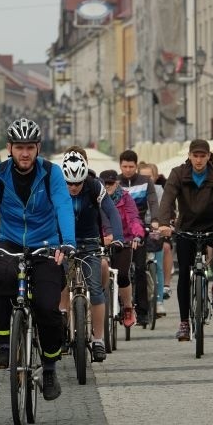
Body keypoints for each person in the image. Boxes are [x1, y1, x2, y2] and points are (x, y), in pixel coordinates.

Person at [0, 117, 75, 401]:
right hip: (10, 240)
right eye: (19, 147)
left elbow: (64, 205)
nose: (25, 153)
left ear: (38, 148)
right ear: (10, 148)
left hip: (46, 244)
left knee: (47, 306)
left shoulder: (51, 173)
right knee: (2, 277)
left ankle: (50, 367)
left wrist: (67, 242)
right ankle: (5, 343)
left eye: (30, 147)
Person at [158, 139, 213, 341]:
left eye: (202, 156)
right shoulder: (178, 173)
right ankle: (183, 323)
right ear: (189, 156)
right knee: (183, 276)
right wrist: (164, 223)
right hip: (187, 225)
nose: (199, 160)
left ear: (208, 156)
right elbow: (167, 199)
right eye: (195, 156)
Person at [59, 148, 123, 362]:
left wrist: (118, 236)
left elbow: (111, 211)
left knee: (95, 290)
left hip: (89, 242)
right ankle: (61, 325)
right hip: (63, 243)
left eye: (78, 183)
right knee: (60, 285)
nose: (73, 188)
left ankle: (98, 340)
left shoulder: (95, 186)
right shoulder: (56, 185)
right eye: (70, 183)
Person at [100, 169, 146, 328]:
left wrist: (137, 236)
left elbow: (133, 219)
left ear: (117, 183)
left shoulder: (125, 198)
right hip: (101, 241)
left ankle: (127, 307)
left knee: (123, 275)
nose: (107, 187)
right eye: (104, 184)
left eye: (110, 183)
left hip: (123, 240)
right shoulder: (96, 198)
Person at [118, 149, 158, 325]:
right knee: (118, 272)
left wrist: (155, 220)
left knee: (140, 269)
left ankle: (142, 311)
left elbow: (153, 202)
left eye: (131, 166)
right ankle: (119, 306)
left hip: (139, 228)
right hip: (119, 231)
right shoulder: (115, 182)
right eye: (124, 166)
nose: (127, 170)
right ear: (120, 165)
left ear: (136, 166)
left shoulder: (145, 181)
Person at [139, 162, 173, 316]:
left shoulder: (159, 190)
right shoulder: (137, 190)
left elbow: (162, 209)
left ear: (155, 177)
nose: (147, 180)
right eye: (143, 176)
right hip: (138, 229)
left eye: (149, 176)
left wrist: (160, 225)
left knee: (157, 263)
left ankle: (159, 301)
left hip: (155, 228)